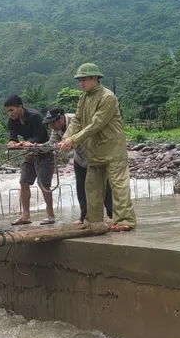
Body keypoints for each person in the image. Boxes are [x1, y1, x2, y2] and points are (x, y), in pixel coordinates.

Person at [55, 63, 136, 231]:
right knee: (92, 186)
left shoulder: (108, 97)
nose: (81, 83)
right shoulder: (83, 98)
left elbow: (96, 124)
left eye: (84, 79)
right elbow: (77, 120)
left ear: (95, 78)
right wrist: (66, 137)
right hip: (94, 149)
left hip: (113, 148)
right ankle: (94, 221)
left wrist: (73, 140)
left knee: (118, 185)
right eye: (80, 80)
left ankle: (124, 220)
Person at [46, 107, 113, 224]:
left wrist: (71, 142)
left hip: (95, 156)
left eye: (53, 123)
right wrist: (34, 146)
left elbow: (90, 134)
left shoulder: (77, 120)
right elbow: (52, 144)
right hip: (80, 158)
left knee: (104, 186)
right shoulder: (56, 128)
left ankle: (112, 215)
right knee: (81, 188)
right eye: (50, 124)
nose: (52, 126)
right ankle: (84, 216)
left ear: (61, 118)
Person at [5, 95, 56, 225]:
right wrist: (12, 142)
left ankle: (51, 215)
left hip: (44, 152)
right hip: (30, 153)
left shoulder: (35, 116)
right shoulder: (12, 121)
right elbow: (13, 138)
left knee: (43, 183)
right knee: (24, 181)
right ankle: (25, 216)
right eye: (7, 111)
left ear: (20, 107)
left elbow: (40, 136)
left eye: (11, 110)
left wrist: (29, 142)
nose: (10, 114)